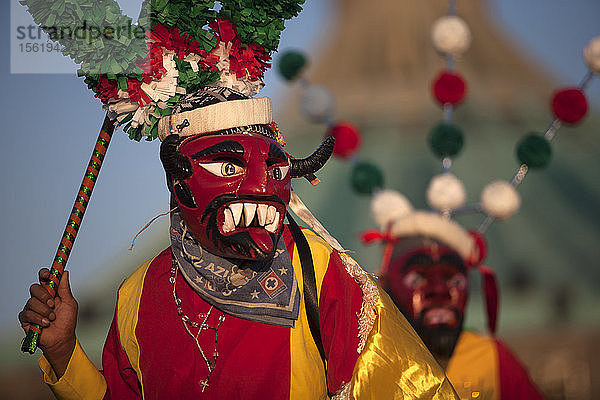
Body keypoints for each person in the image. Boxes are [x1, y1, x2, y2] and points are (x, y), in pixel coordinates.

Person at [19, 80, 459, 398]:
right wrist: (63, 354)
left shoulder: (324, 273)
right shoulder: (137, 294)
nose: (261, 188)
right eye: (229, 168)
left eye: (273, 170)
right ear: (177, 177)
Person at [363, 206, 544, 400]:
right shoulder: (370, 359)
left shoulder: (492, 359)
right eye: (418, 279)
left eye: (454, 280)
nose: (439, 290)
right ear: (385, 286)